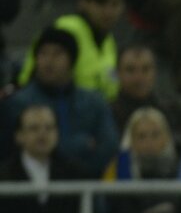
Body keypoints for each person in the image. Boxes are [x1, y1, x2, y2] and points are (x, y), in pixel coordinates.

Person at [3, 27, 119, 177]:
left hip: (87, 188)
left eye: (57, 53)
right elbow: (9, 151)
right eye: (43, 54)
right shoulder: (17, 103)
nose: (49, 61)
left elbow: (109, 147)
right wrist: (81, 145)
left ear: (72, 60)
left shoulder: (94, 102)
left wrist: (78, 173)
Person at [18, 0, 124, 101]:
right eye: (100, 3)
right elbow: (33, 80)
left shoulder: (109, 41)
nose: (108, 12)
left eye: (114, 4)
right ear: (83, 2)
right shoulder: (66, 31)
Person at [0, 105, 85, 213]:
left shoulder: (73, 171)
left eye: (49, 128)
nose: (42, 134)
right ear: (19, 135)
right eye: (34, 128)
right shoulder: (4, 175)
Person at [111, 45, 181, 151]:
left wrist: (167, 141)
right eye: (130, 70)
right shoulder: (109, 113)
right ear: (118, 73)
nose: (138, 77)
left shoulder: (172, 105)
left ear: (155, 72)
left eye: (146, 69)